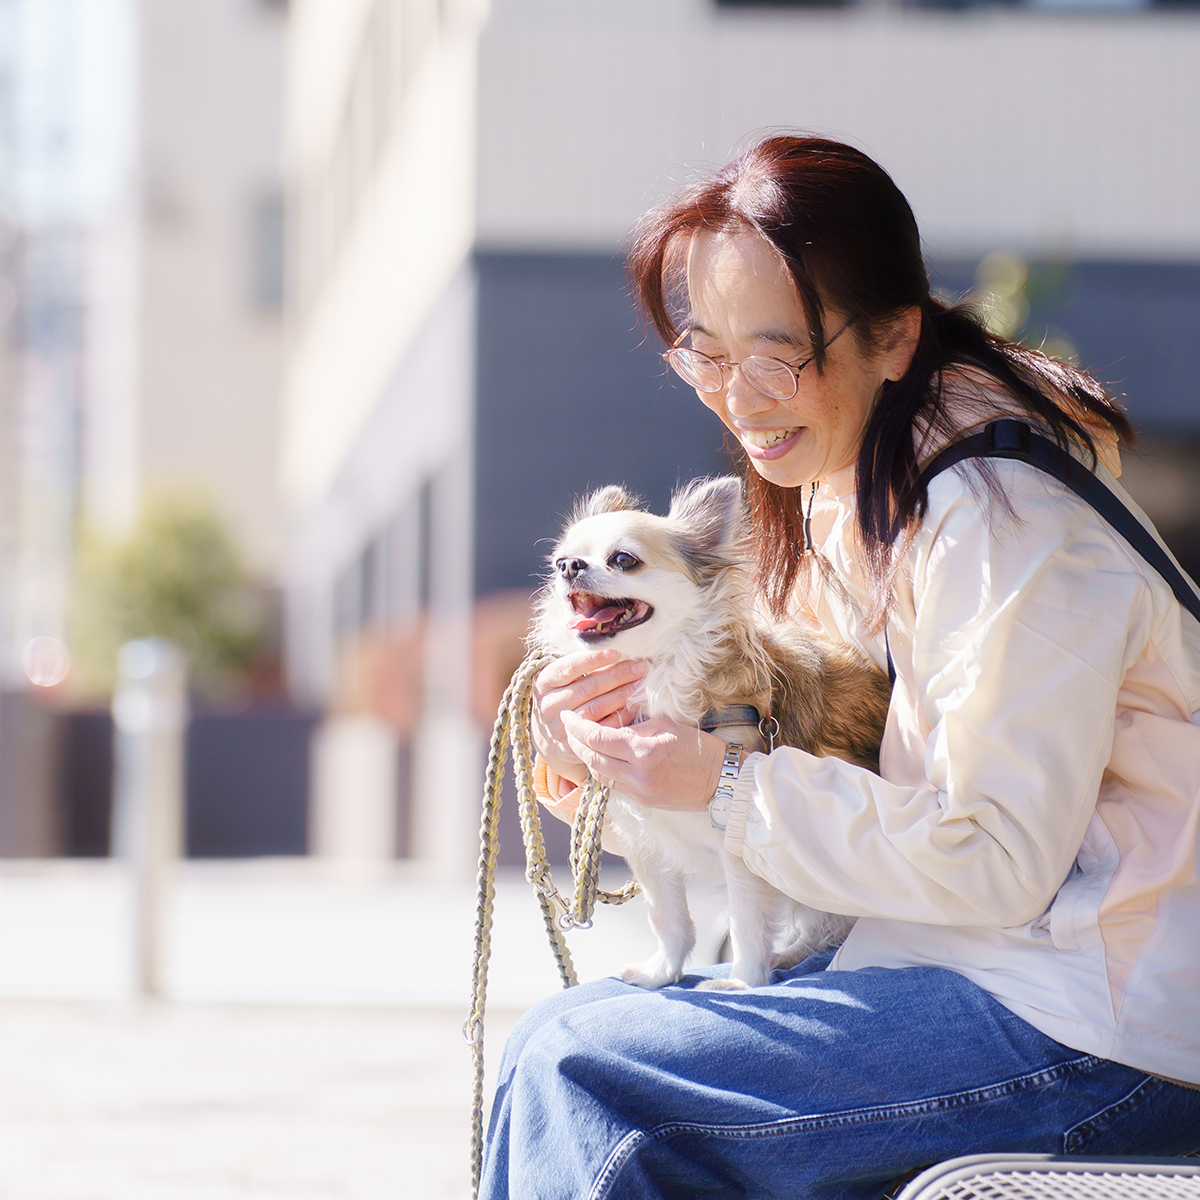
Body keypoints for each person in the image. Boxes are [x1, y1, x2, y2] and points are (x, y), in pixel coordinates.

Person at [479, 136, 1200, 1200]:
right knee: (562, 1036)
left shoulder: (1007, 524)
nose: (739, 397)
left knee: (588, 1071)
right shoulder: (846, 488)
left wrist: (720, 783)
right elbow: (787, 767)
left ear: (895, 336)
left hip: (1104, 1017)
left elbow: (998, 855)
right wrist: (600, 751)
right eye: (705, 355)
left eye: (777, 357)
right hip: (965, 962)